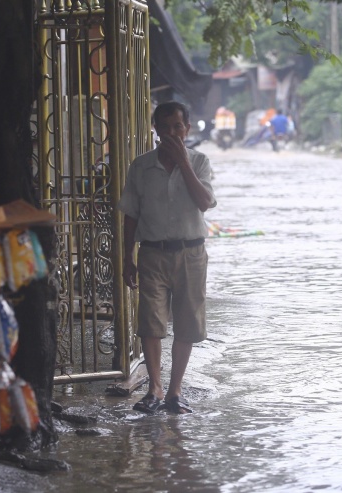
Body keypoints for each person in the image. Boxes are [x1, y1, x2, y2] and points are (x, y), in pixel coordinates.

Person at [118, 101, 217, 414]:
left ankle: (174, 391)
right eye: (165, 127)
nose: (172, 132)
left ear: (187, 128)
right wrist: (126, 256)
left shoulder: (199, 162)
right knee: (151, 323)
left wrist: (183, 163)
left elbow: (205, 202)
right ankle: (155, 389)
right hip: (152, 253)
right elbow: (130, 215)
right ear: (156, 130)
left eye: (178, 126)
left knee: (187, 323)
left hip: (191, 252)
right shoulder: (141, 166)